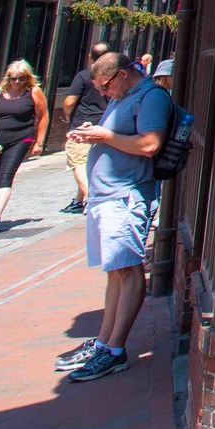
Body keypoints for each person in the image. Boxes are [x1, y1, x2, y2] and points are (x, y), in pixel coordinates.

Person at [59, 50, 168, 383]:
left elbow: (150, 144)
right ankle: (104, 341)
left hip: (127, 196)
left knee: (128, 270)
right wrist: (96, 132)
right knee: (116, 272)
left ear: (122, 74)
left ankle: (115, 350)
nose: (104, 93)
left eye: (106, 86)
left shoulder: (150, 97)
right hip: (107, 196)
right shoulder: (123, 97)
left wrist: (104, 136)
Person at [0, 60, 47, 235]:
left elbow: (43, 116)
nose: (17, 82)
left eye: (22, 78)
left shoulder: (33, 92)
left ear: (28, 78)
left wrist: (39, 141)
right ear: (8, 78)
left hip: (20, 139)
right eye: (14, 78)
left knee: (6, 174)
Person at [56, 51, 107, 217]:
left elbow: (70, 101)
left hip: (82, 125)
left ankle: (90, 198)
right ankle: (78, 200)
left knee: (77, 162)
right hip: (104, 124)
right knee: (90, 163)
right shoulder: (112, 77)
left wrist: (68, 118)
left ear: (89, 56)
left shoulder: (84, 76)